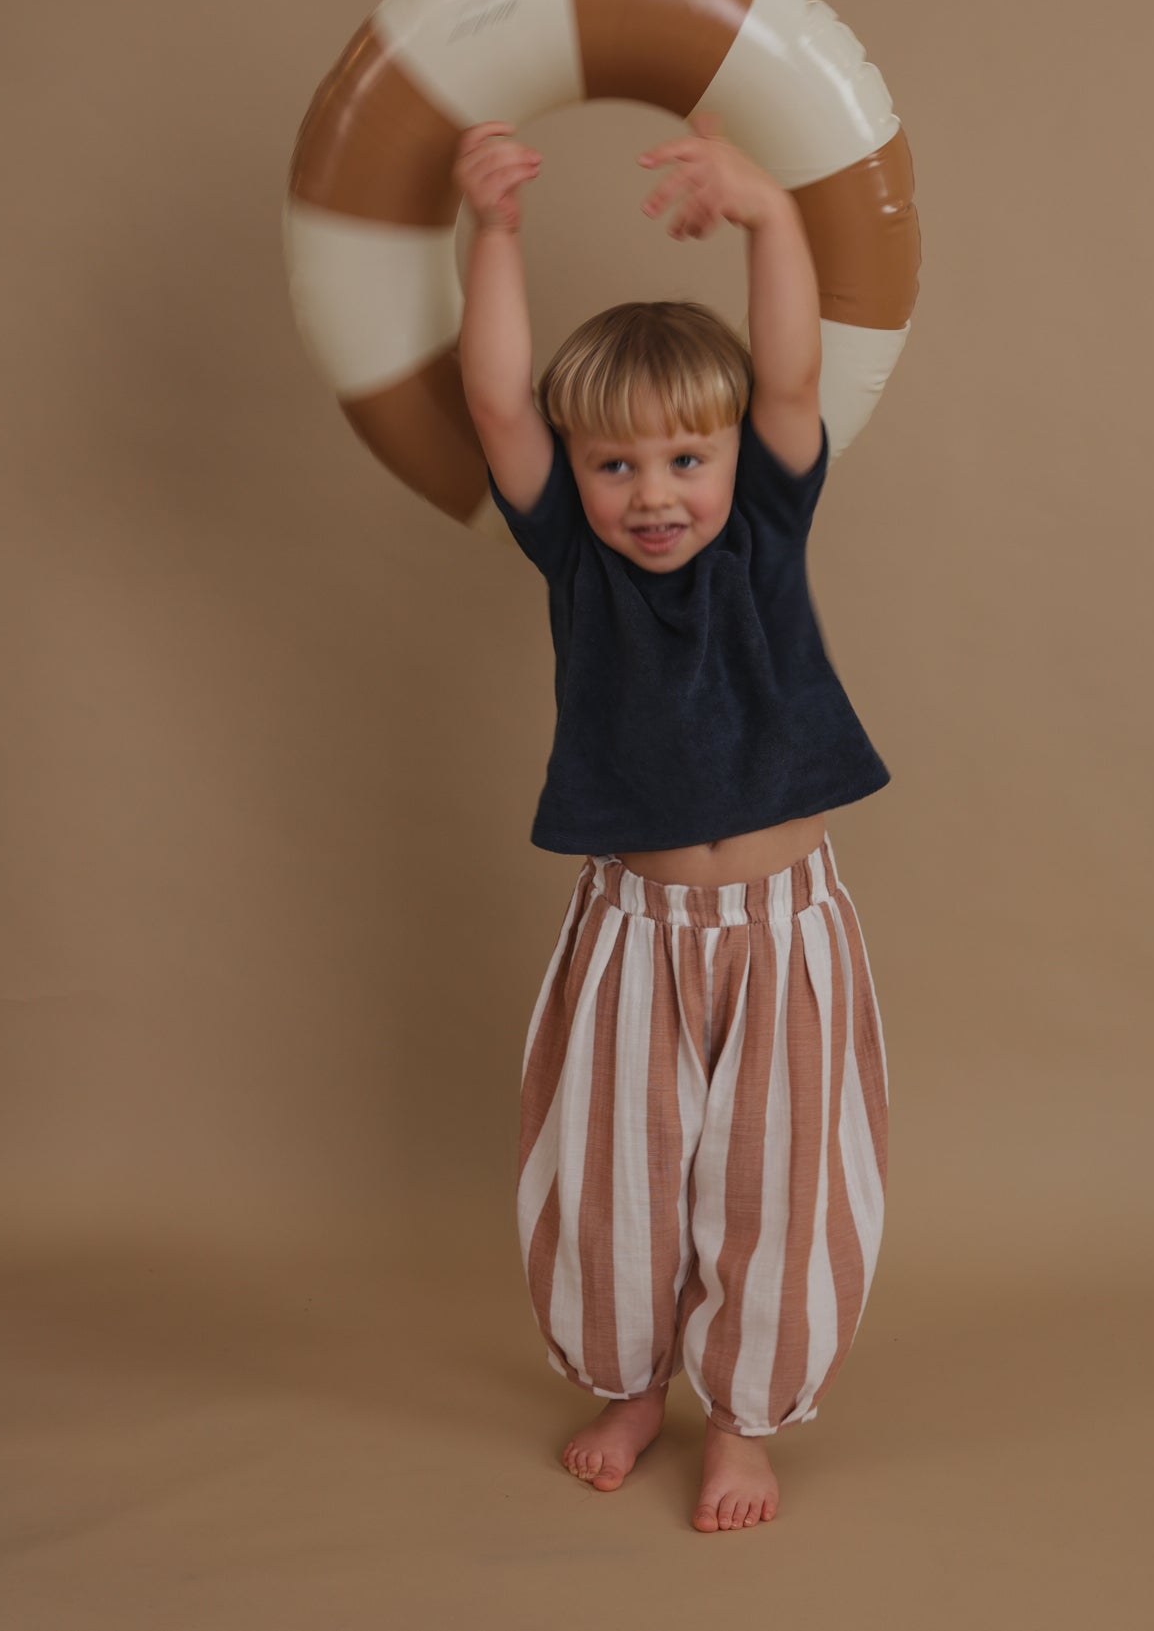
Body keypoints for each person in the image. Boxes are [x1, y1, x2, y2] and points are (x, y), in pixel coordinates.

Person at [453, 113, 891, 1534]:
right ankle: (631, 1383)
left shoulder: (768, 518)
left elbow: (787, 369)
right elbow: (503, 401)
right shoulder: (570, 558)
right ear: (579, 477)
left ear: (730, 460)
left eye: (683, 461)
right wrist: (496, 233)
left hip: (782, 927)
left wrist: (768, 219)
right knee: (616, 1171)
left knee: (773, 1167)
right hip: (635, 925)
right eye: (618, 468)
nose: (654, 495)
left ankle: (742, 1415)